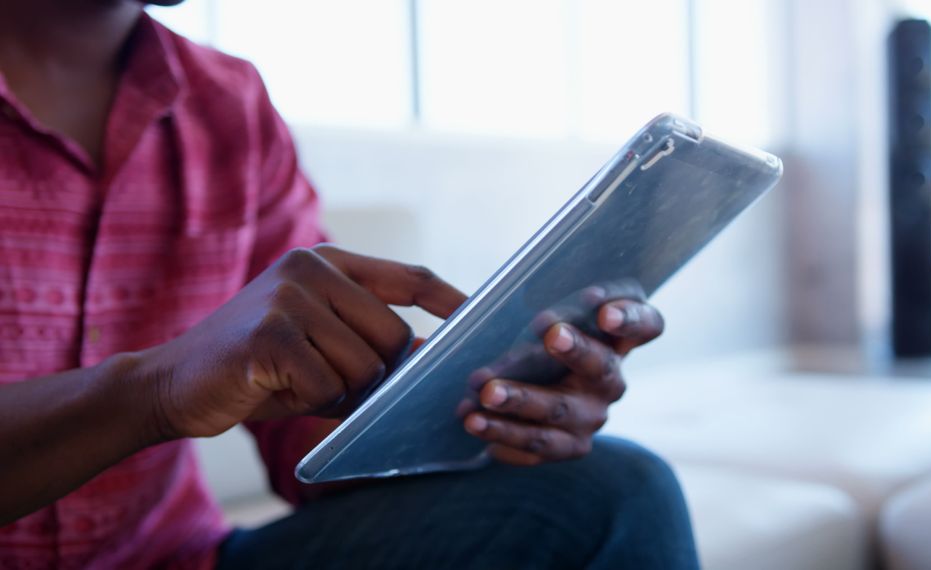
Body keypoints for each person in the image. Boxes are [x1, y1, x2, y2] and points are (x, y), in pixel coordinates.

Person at [0, 1, 699, 568]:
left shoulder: (231, 107)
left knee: (613, 492)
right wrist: (155, 389)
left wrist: (475, 417)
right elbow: (176, 382)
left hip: (180, 558)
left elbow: (306, 449)